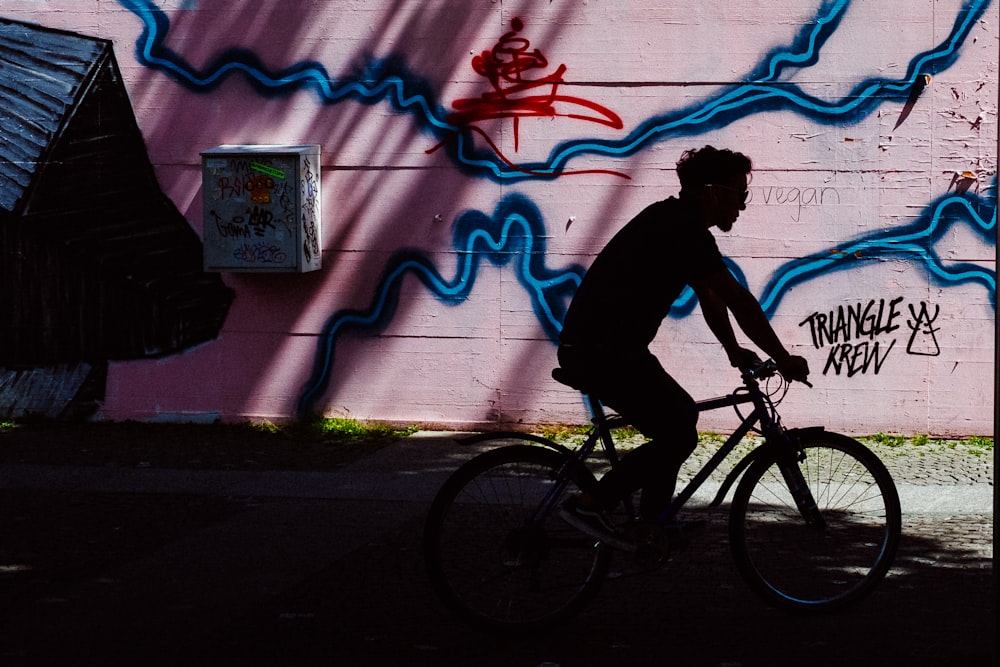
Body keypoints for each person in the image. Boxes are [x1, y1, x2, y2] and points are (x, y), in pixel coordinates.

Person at [555, 145, 810, 541]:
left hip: (607, 347)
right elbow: (736, 298)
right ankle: (591, 505)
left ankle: (652, 523)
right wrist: (783, 356)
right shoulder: (682, 230)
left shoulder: (675, 222)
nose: (742, 206)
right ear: (712, 192)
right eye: (739, 195)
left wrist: (732, 349)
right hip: (602, 351)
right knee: (678, 430)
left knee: (679, 419)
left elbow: (710, 296)